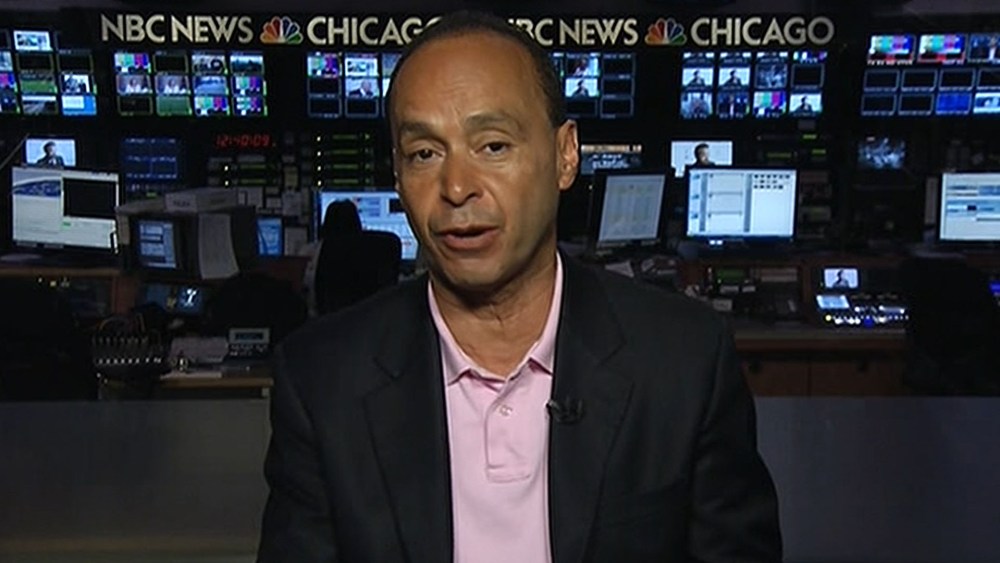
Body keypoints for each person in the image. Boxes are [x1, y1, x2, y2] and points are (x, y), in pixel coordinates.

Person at [257, 11, 781, 563]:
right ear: (398, 176)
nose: (456, 187)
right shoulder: (321, 380)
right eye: (424, 154)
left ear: (565, 155)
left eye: (493, 146)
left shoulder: (685, 360)